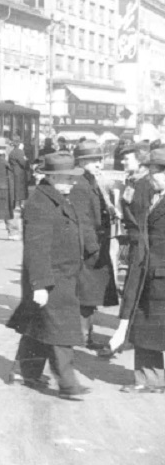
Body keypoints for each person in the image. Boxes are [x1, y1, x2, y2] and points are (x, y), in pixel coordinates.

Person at [6, 152, 90, 400]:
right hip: (51, 278)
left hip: (63, 275)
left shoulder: (56, 197)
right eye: (68, 178)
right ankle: (67, 382)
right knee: (60, 330)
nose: (72, 182)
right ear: (52, 177)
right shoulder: (41, 203)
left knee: (38, 325)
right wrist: (40, 285)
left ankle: (24, 371)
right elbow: (36, 248)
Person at [108, 148, 165, 393]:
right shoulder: (152, 194)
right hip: (148, 269)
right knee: (145, 324)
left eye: (159, 170)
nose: (154, 175)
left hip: (160, 270)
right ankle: (150, 380)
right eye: (152, 169)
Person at [70, 140, 119, 349]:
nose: (99, 164)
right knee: (86, 294)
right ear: (81, 161)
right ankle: (83, 336)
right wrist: (93, 249)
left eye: (99, 159)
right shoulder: (80, 184)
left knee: (90, 295)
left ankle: (86, 335)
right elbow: (82, 219)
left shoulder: (89, 180)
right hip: (89, 248)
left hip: (96, 244)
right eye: (94, 160)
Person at [8, 136, 30, 210]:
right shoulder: (20, 152)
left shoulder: (12, 152)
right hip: (20, 172)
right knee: (21, 188)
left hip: (13, 172)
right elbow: (24, 162)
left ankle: (16, 204)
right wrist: (27, 161)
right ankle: (20, 205)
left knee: (15, 188)